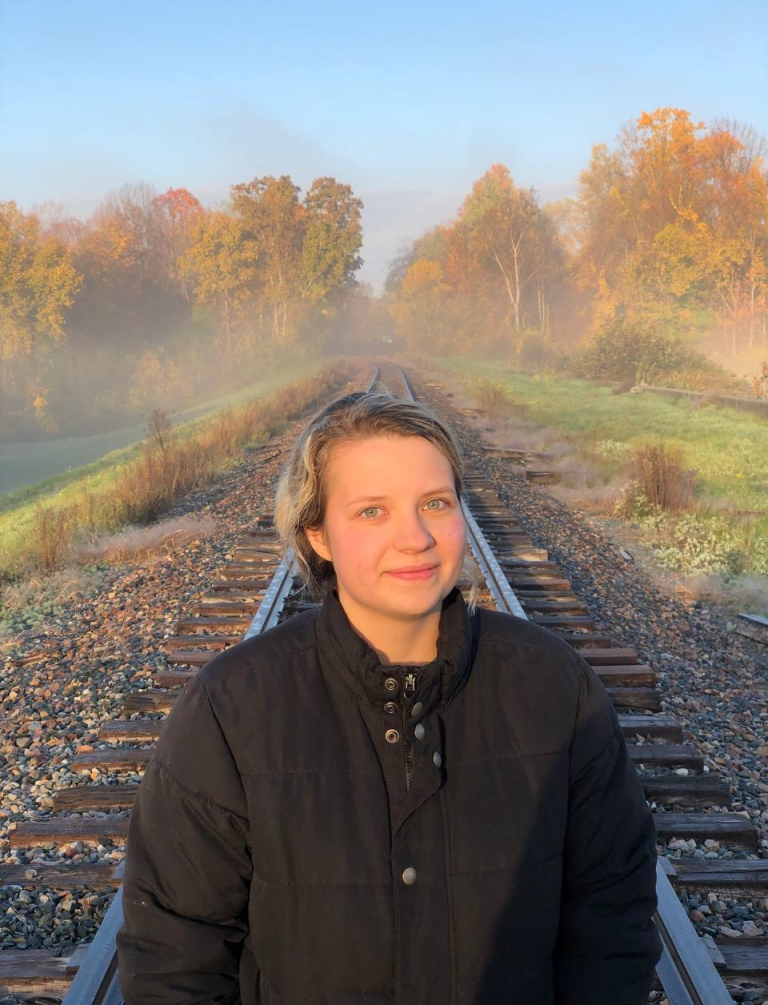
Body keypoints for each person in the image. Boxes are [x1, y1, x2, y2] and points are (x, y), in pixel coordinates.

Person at [117, 390, 662, 1004]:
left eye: (435, 503)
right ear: (317, 534)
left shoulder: (556, 687)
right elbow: (174, 954)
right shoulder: (230, 710)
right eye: (372, 511)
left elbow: (612, 917)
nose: (415, 538)